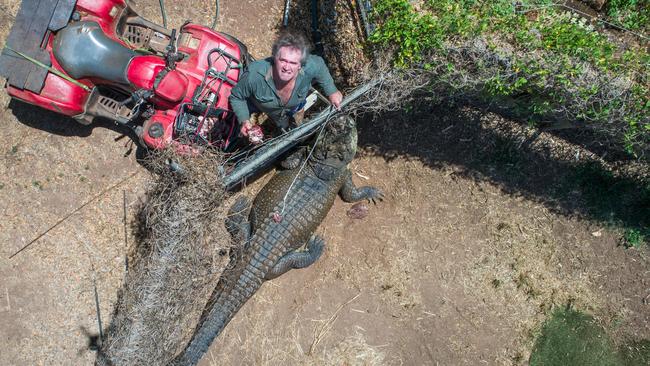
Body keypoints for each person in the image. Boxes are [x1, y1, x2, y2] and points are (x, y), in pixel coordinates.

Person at [229, 31, 343, 144]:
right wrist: (244, 120)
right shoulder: (255, 75)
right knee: (233, 127)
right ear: (274, 58)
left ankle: (286, 126)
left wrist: (332, 91)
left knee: (294, 124)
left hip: (293, 107)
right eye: (283, 60)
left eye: (293, 63)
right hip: (258, 104)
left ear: (300, 65)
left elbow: (320, 65)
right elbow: (236, 97)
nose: (287, 67)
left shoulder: (310, 66)